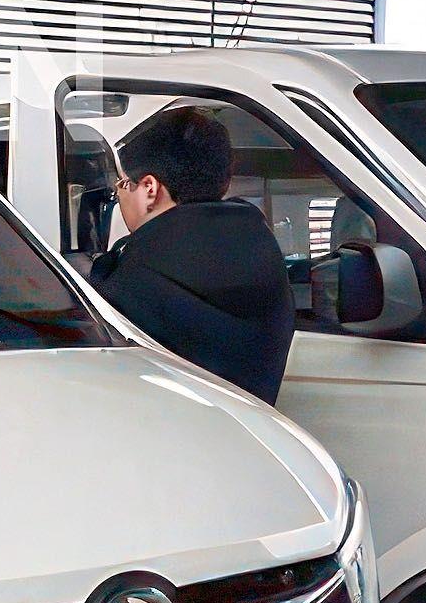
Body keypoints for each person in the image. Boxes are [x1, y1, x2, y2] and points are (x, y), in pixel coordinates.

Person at [87, 104, 295, 404]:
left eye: (123, 183)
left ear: (149, 188)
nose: (118, 194)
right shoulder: (261, 248)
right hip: (248, 428)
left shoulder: (134, 277)